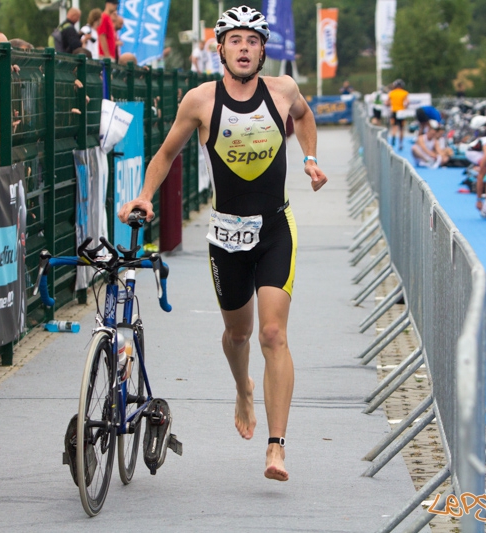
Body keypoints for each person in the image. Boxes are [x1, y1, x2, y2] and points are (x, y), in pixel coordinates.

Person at [118, 5, 327, 483]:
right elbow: (166, 153)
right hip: (227, 235)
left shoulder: (283, 90)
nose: (244, 49)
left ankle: (276, 446)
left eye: (252, 41)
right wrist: (145, 195)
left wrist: (310, 158)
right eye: (236, 40)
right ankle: (242, 388)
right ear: (221, 49)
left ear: (262, 51)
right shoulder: (200, 101)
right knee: (238, 335)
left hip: (275, 229)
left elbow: (304, 116)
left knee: (272, 334)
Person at [385, 79, 408, 151]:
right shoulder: (404, 93)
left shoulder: (391, 93)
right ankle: (400, 143)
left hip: (394, 111)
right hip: (401, 111)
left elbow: (387, 103)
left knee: (394, 127)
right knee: (401, 128)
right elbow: (407, 102)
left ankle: (393, 137)